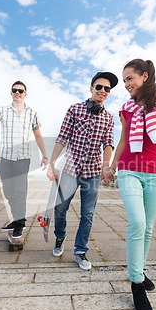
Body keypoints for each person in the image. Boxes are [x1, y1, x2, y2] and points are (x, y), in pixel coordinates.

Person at [109, 59, 156, 310]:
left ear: (145, 76)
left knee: (148, 227)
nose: (126, 84)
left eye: (130, 78)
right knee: (137, 223)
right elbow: (124, 139)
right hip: (129, 169)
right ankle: (136, 283)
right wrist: (112, 166)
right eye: (124, 80)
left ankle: (141, 268)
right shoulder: (126, 108)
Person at [47, 72, 117, 271]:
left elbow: (108, 143)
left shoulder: (109, 118)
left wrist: (106, 164)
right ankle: (60, 237)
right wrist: (52, 163)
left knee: (87, 214)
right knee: (60, 209)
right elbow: (62, 137)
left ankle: (80, 250)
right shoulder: (75, 109)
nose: (102, 91)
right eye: (99, 87)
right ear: (91, 88)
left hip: (93, 172)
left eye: (107, 89)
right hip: (70, 168)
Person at [0, 81, 48, 239]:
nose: (17, 93)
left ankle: (20, 224)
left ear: (25, 93)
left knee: (20, 191)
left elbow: (38, 135)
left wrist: (45, 155)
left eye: (21, 91)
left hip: (23, 158)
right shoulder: (3, 110)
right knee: (8, 192)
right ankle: (16, 219)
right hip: (6, 158)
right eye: (15, 90)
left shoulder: (32, 113)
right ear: (11, 93)